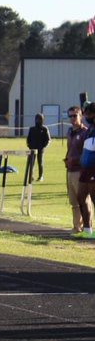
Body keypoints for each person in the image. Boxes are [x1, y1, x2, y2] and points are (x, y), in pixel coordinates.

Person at [63, 105, 87, 234]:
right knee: (73, 202)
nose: (72, 118)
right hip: (70, 169)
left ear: (80, 116)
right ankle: (76, 226)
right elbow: (70, 149)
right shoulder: (69, 132)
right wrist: (67, 159)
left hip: (80, 170)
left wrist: (76, 160)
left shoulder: (85, 132)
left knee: (83, 200)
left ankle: (87, 227)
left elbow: (87, 153)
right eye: (70, 116)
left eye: (75, 116)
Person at [75, 101, 95, 238]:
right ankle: (87, 230)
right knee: (81, 196)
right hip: (85, 169)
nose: (86, 116)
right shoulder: (89, 130)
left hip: (94, 168)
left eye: (88, 114)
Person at [26, 113, 51, 182]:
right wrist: (29, 145)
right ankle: (31, 176)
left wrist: (43, 146)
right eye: (37, 119)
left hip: (40, 149)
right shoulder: (32, 129)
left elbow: (48, 139)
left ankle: (40, 176)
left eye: (39, 119)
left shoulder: (44, 129)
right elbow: (28, 138)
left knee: (40, 163)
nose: (38, 121)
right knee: (32, 163)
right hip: (32, 149)